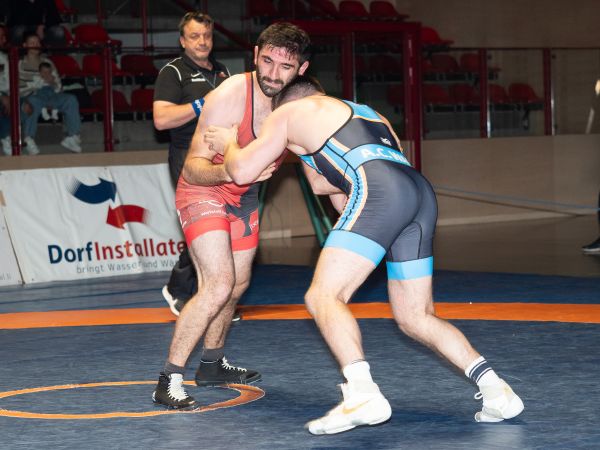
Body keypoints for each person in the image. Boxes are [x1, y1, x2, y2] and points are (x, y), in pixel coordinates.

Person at [205, 76, 525, 434]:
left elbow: (241, 171)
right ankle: (496, 390)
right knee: (416, 316)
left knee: (323, 295)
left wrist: (229, 142)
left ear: (286, 103)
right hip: (418, 194)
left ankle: (362, 394)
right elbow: (326, 185)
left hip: (380, 191)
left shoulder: (288, 113)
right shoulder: (368, 114)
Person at [151, 22, 311, 410]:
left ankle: (212, 364)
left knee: (238, 283)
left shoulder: (300, 103)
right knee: (218, 284)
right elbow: (193, 168)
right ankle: (168, 379)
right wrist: (232, 170)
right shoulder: (230, 94)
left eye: (285, 67)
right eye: (267, 61)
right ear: (255, 55)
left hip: (244, 198)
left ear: (301, 70)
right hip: (204, 188)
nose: (273, 74)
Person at [153, 11, 231, 316]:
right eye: (195, 36)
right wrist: (201, 104)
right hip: (187, 154)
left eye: (207, 36)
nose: (202, 41)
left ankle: (213, 296)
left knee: (224, 225)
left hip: (220, 152)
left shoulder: (222, 71)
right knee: (202, 223)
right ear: (183, 41)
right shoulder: (173, 72)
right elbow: (161, 119)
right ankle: (179, 288)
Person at [18, 33, 81, 154]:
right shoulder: (20, 64)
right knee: (33, 101)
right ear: (25, 45)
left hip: (51, 95)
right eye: (32, 43)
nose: (36, 45)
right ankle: (29, 138)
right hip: (32, 96)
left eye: (37, 42)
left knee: (71, 99)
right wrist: (37, 87)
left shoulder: (48, 62)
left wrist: (52, 83)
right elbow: (18, 89)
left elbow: (58, 84)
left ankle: (73, 137)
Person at [0, 25, 10, 155]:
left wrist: (10, 96)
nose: (3, 39)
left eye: (3, 36)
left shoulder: (6, 57)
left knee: (25, 105)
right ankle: (5, 136)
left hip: (6, 93)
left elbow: (9, 81)